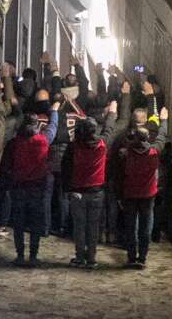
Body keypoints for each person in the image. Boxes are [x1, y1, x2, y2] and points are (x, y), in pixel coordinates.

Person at [61, 102, 118, 269]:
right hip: (97, 191)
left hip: (78, 191)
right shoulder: (102, 145)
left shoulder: (74, 147)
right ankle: (92, 258)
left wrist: (68, 189)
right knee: (93, 226)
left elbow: (66, 168)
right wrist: (112, 113)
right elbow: (109, 129)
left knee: (79, 226)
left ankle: (79, 256)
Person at [3, 102, 59, 267]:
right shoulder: (42, 140)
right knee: (35, 223)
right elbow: (53, 127)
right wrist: (54, 111)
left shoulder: (14, 143)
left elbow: (6, 164)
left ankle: (20, 255)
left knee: (18, 224)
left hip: (19, 186)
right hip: (37, 187)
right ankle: (33, 255)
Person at [114, 107, 167, 268]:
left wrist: (118, 194)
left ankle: (131, 257)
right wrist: (164, 120)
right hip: (148, 194)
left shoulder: (126, 153)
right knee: (145, 226)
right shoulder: (153, 152)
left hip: (130, 193)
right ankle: (142, 257)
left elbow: (119, 175)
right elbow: (162, 137)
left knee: (131, 226)